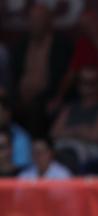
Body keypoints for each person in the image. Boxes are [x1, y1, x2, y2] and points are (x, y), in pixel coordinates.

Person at [11, 3, 72, 133]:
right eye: (31, 20)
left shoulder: (60, 44)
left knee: (38, 109)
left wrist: (58, 97)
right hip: (19, 95)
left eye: (39, 20)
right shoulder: (21, 45)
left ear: (48, 21)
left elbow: (66, 75)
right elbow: (14, 74)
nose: (34, 24)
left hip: (46, 97)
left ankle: (34, 150)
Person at [50, 67, 98, 172]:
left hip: (89, 150)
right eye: (83, 82)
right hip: (64, 146)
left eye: (91, 83)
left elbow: (96, 136)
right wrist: (82, 130)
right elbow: (54, 133)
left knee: (70, 156)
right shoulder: (69, 107)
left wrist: (69, 130)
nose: (87, 86)